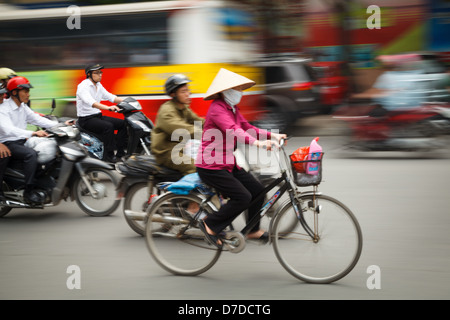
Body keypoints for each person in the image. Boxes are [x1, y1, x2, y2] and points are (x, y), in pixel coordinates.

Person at [195, 68, 286, 247]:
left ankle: (252, 230)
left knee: (258, 191)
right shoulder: (217, 109)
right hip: (211, 166)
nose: (240, 93)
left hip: (228, 163)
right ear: (226, 91)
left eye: (241, 89)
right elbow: (234, 131)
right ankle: (209, 224)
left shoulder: (233, 109)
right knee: (242, 197)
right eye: (238, 89)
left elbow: (246, 127)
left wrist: (272, 135)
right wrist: (258, 144)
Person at [0, 76, 60, 204]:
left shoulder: (22, 107)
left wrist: (60, 125)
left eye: (28, 91)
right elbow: (9, 130)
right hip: (8, 142)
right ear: (15, 92)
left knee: (49, 148)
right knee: (30, 154)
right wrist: (33, 133)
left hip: (22, 140)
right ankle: (29, 191)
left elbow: (37, 119)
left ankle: (41, 183)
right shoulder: (4, 108)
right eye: (25, 91)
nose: (28, 94)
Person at [151, 74, 204, 175]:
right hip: (167, 152)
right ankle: (184, 190)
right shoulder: (167, 111)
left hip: (181, 147)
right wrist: (205, 135)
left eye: (187, 90)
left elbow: (198, 121)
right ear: (173, 94)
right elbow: (183, 129)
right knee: (196, 167)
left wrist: (219, 128)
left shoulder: (183, 108)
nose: (188, 94)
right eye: (183, 92)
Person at [76, 64, 127, 163]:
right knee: (108, 126)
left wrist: (128, 102)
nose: (100, 75)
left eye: (100, 72)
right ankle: (109, 156)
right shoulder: (83, 86)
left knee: (122, 124)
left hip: (97, 116)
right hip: (86, 120)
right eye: (97, 73)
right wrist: (108, 108)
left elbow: (111, 97)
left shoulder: (98, 85)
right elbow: (92, 103)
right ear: (89, 74)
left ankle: (121, 153)